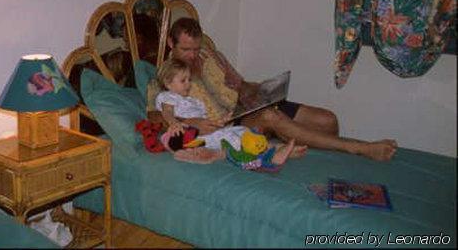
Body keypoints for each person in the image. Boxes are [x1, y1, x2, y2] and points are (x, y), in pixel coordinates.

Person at [147, 17, 398, 162]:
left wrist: (264, 90)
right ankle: (359, 148)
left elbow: (240, 83)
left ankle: (279, 134)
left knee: (328, 121)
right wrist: (192, 121)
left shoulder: (211, 55)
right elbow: (155, 116)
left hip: (246, 106)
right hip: (229, 125)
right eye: (186, 50)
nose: (193, 55)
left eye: (195, 48)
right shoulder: (165, 77)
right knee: (270, 117)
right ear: (171, 43)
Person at [155, 58, 300, 167]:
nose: (188, 83)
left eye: (189, 79)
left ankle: (276, 148)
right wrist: (173, 122)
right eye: (183, 80)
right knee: (233, 140)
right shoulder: (167, 96)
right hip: (193, 137)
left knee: (242, 131)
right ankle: (270, 157)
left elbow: (205, 120)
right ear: (168, 83)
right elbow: (167, 111)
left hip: (207, 132)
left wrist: (221, 120)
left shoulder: (194, 101)